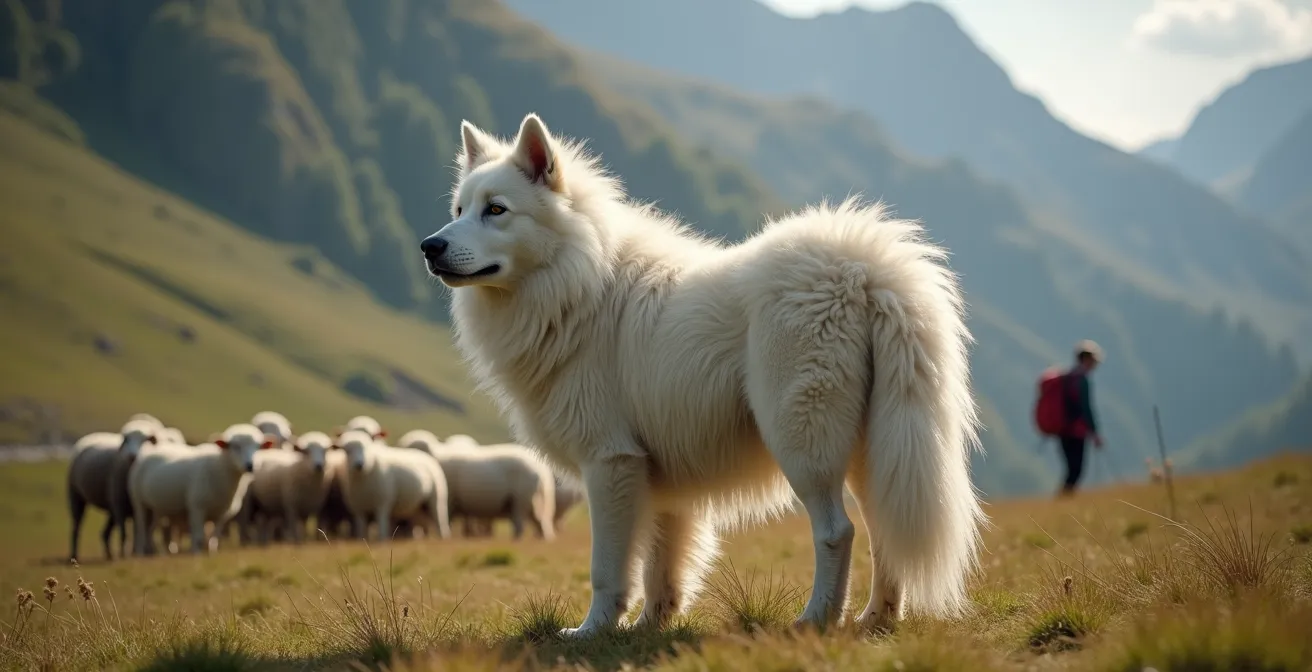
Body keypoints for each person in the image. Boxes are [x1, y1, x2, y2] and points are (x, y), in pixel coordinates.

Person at [1057, 340, 1103, 497]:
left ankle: (1064, 499)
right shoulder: (1082, 380)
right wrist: (1095, 433)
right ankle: (1064, 499)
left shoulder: (1067, 377)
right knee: (1076, 469)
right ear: (1086, 359)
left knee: (1071, 468)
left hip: (1062, 430)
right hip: (1076, 431)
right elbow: (1086, 408)